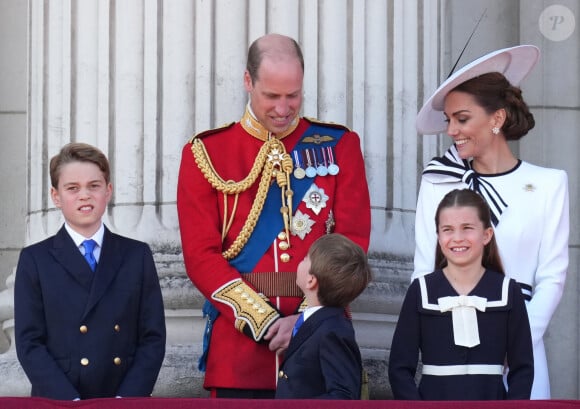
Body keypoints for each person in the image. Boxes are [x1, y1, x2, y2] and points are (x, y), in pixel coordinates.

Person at [176, 33, 371, 398]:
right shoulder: (206, 152)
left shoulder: (339, 146)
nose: (284, 108)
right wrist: (264, 322)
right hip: (240, 352)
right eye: (272, 96)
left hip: (319, 350)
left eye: (293, 95)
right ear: (248, 82)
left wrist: (304, 320)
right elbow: (201, 256)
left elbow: (352, 244)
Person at [413, 45, 569, 399]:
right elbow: (423, 270)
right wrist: (441, 342)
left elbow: (551, 277)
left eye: (462, 119)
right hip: (449, 355)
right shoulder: (438, 181)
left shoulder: (549, 184)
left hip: (520, 354)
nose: (451, 130)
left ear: (496, 119)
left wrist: (512, 342)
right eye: (448, 120)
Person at [14, 143, 166, 400]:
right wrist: (70, 402)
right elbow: (30, 344)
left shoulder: (136, 255)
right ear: (56, 196)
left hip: (122, 400)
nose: (84, 195)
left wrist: (125, 400)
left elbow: (152, 337)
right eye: (72, 188)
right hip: (59, 401)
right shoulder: (35, 260)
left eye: (93, 186)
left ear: (108, 191)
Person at [390, 189, 533, 400]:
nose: (457, 238)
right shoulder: (420, 291)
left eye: (467, 228)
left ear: (486, 235)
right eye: (448, 229)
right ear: (438, 236)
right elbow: (399, 369)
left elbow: (523, 369)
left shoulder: (508, 291)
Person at [275, 233, 372, 399]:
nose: (302, 260)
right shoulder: (317, 322)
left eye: (306, 258)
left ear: (311, 281)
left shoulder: (333, 331)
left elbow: (343, 396)